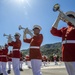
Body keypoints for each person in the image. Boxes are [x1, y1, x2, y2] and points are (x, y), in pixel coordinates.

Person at [50, 11, 75, 75]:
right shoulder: (64, 29)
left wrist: (66, 17)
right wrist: (58, 19)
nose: (67, 18)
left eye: (70, 17)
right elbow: (53, 31)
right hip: (66, 55)